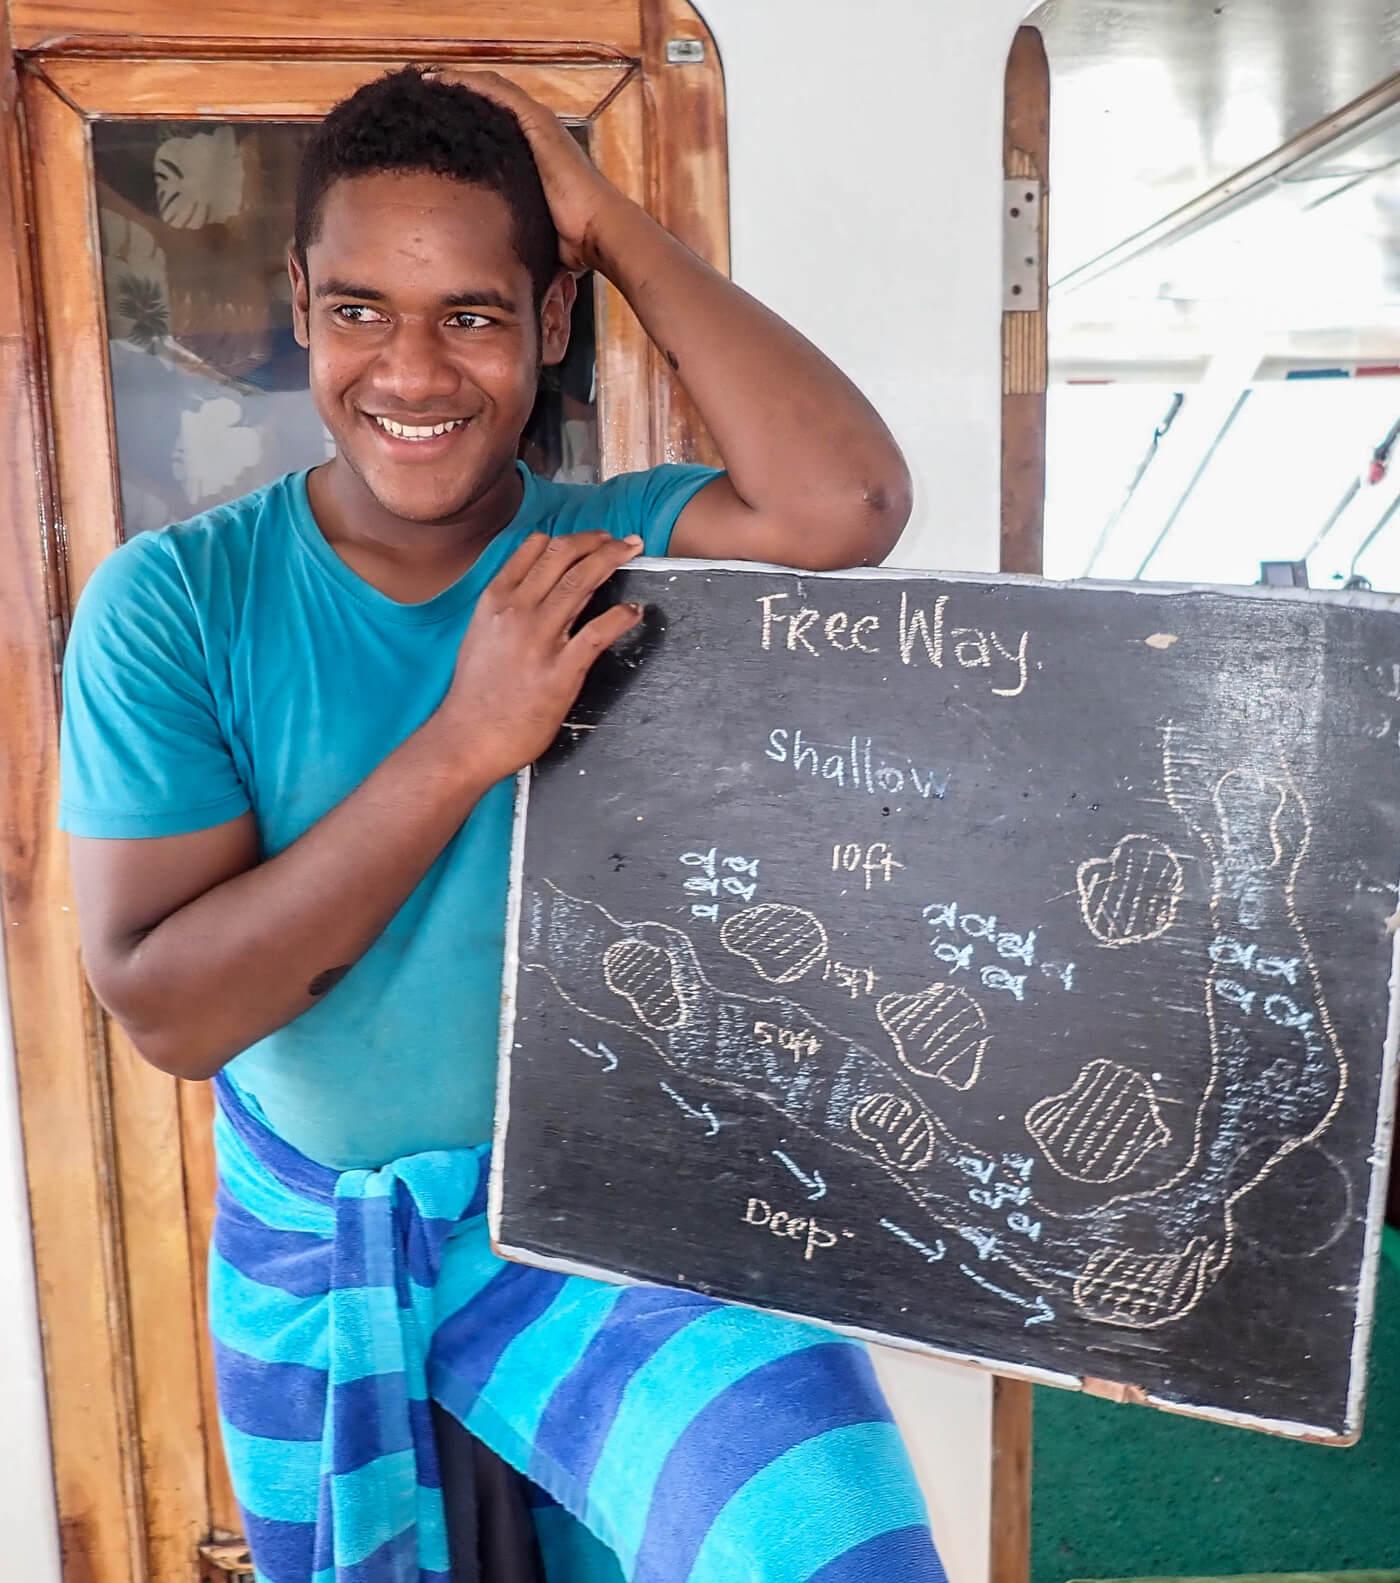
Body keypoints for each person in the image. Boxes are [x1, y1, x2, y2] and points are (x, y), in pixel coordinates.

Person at [60, 67, 943, 1583]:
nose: (409, 370)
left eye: (472, 312)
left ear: (550, 321)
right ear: (300, 306)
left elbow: (848, 503)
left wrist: (607, 220)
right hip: (322, 1246)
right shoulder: (177, 601)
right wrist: (470, 742)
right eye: (358, 312)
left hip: (615, 1229)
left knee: (836, 1553)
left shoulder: (619, 552)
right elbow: (171, 1008)